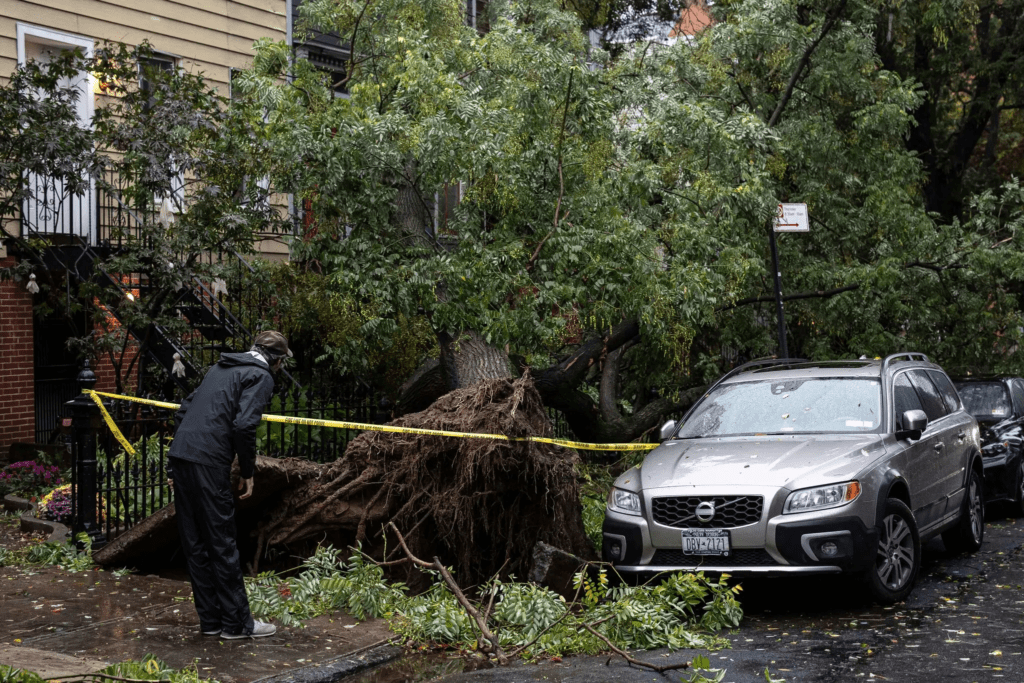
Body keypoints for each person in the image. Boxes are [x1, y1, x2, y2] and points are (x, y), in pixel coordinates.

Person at [166, 330, 292, 639]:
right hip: (209, 461)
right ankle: (237, 625)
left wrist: (172, 464)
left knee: (195, 544)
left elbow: (185, 408)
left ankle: (211, 622)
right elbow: (244, 424)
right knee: (221, 542)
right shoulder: (261, 376)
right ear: (276, 361)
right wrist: (248, 470)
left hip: (182, 456)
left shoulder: (220, 368)